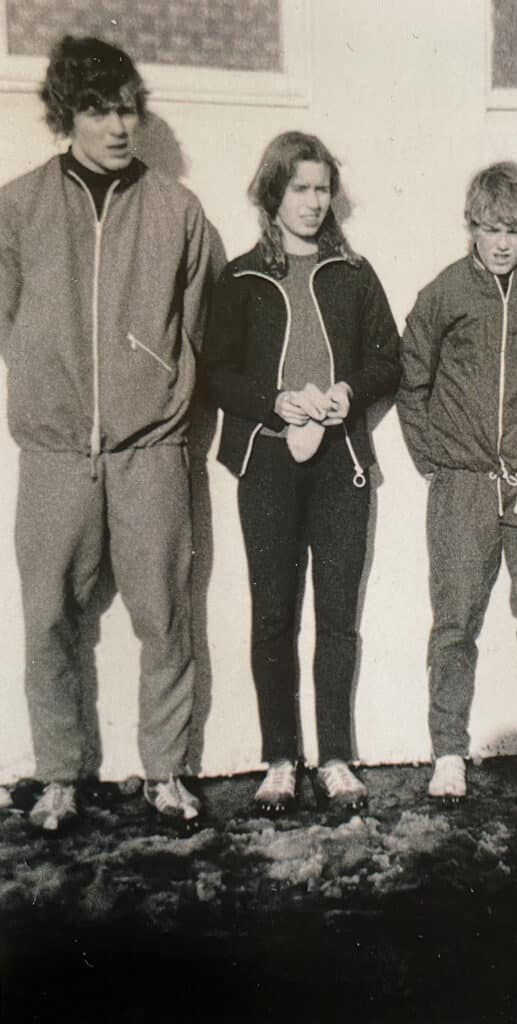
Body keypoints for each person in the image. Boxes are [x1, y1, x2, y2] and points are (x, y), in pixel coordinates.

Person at [0, 36, 212, 830]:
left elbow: (196, 327)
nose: (118, 126)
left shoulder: (177, 210)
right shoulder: (18, 206)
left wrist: (158, 395)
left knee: (165, 615)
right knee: (48, 617)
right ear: (68, 115)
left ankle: (166, 773)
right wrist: (46, 380)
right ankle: (59, 774)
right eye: (98, 110)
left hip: (150, 449)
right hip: (55, 453)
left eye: (127, 109)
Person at [205, 131, 400, 816]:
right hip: (267, 462)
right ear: (273, 193)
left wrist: (350, 391)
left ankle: (336, 758)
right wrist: (273, 402)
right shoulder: (240, 278)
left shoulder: (354, 273)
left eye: (323, 189)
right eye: (300, 188)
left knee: (338, 615)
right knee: (273, 614)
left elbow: (390, 358)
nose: (314, 202)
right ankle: (281, 761)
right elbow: (215, 373)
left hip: (341, 464)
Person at [397, 161, 517, 803]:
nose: (501, 243)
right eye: (489, 228)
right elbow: (413, 379)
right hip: (464, 484)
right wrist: (435, 459)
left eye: (515, 230)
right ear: (470, 228)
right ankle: (448, 752)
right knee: (455, 619)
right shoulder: (444, 293)